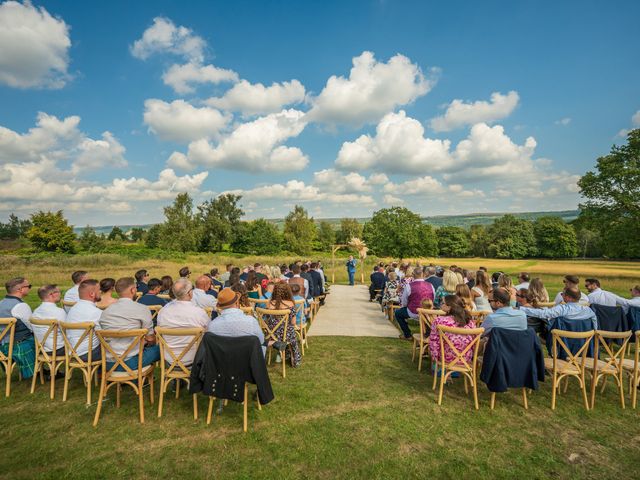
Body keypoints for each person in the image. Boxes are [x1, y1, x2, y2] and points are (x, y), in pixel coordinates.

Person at [99, 277, 159, 369]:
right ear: (132, 290)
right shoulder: (142, 309)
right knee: (160, 349)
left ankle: (135, 379)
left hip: (109, 363)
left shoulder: (106, 312)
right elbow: (150, 338)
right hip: (132, 361)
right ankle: (141, 378)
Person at [157, 278, 211, 365]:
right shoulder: (199, 313)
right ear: (190, 293)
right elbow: (209, 330)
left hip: (169, 359)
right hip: (194, 359)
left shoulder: (163, 311)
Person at [0, 278, 35, 378]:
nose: (29, 288)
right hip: (19, 346)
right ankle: (50, 369)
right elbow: (32, 327)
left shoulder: (1, 303)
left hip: (2, 348)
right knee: (49, 339)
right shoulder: (20, 306)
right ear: (20, 289)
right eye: (28, 286)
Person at [429, 295, 477, 365]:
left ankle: (438, 370)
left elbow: (434, 342)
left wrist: (434, 358)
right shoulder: (470, 322)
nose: (440, 304)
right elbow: (474, 343)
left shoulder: (439, 320)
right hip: (465, 359)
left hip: (445, 358)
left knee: (432, 344)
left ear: (449, 307)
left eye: (442, 303)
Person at [263, 282, 302, 366]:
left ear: (275, 291)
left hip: (270, 334)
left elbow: (266, 319)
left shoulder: (269, 303)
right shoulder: (290, 304)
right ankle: (295, 359)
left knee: (285, 330)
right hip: (285, 335)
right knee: (291, 332)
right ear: (287, 291)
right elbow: (293, 322)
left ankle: (281, 352)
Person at [65, 279, 102, 361]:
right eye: (99, 290)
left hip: (72, 351)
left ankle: (97, 373)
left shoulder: (73, 309)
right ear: (92, 294)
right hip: (88, 353)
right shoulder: (95, 312)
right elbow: (104, 335)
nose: (101, 292)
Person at [395, 267, 435, 340]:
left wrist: (407, 306)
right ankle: (427, 333)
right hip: (427, 312)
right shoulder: (431, 285)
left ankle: (407, 335)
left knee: (397, 313)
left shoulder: (409, 286)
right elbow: (433, 298)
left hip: (413, 311)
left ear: (413, 275)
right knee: (400, 312)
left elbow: (404, 301)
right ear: (422, 274)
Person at [520, 287, 597, 323]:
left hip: (563, 341)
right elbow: (594, 323)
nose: (561, 296)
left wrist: (521, 309)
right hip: (583, 343)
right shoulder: (588, 310)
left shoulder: (563, 309)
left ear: (569, 297)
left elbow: (543, 314)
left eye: (562, 294)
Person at [32, 284, 66, 357]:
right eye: (59, 292)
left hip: (41, 349)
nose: (60, 294)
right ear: (52, 294)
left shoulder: (36, 311)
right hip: (57, 349)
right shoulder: (59, 311)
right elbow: (67, 331)